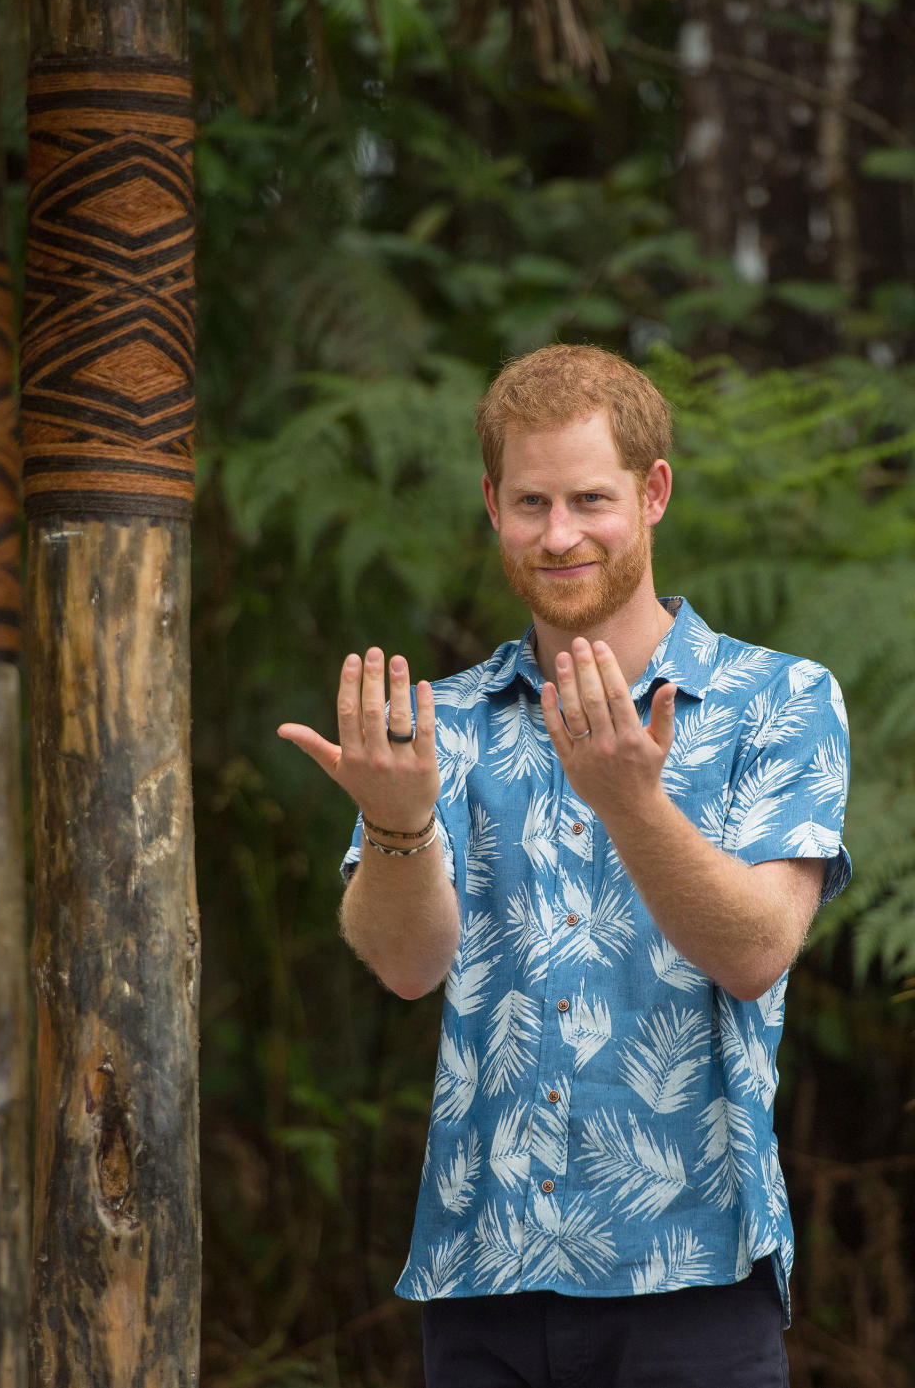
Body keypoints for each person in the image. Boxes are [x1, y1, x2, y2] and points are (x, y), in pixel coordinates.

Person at [278, 344, 851, 1388]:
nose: (560, 534)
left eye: (590, 498)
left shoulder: (781, 700)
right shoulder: (437, 721)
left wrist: (630, 799)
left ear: (654, 492)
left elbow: (758, 950)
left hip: (699, 1279)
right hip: (482, 1280)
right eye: (531, 501)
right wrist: (400, 825)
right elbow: (406, 964)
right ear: (492, 502)